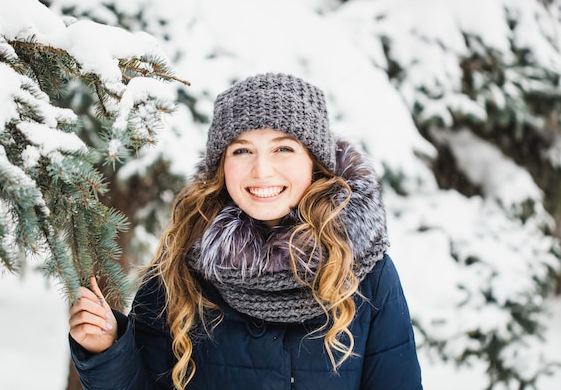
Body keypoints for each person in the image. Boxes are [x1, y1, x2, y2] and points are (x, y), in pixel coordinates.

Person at [68, 72, 423, 390]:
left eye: (283, 148)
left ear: (315, 162)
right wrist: (109, 352)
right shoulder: (181, 266)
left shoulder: (367, 273)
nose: (262, 170)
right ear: (221, 166)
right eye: (242, 150)